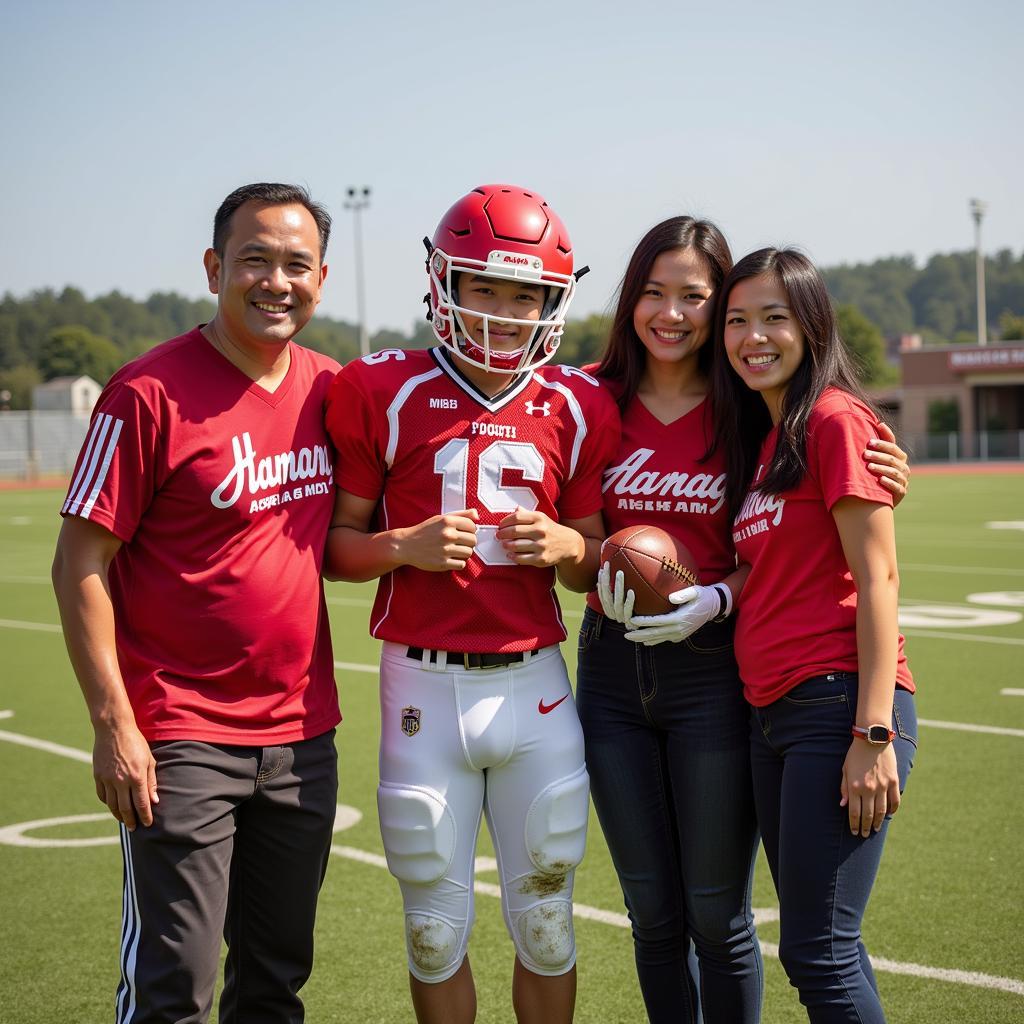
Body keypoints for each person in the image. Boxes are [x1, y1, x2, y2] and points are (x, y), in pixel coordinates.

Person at [575, 218, 910, 1023]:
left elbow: (852, 532)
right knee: (653, 915)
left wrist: (884, 470)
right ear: (628, 302)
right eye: (653, 292)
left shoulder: (757, 410)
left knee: (722, 915)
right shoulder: (587, 395)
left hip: (724, 670)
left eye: (696, 296)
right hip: (618, 666)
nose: (672, 313)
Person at [322, 183, 620, 1024]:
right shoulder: (381, 388)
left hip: (535, 683)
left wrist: (570, 548)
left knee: (548, 924)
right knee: (431, 927)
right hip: (422, 684)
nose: (502, 311)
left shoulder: (575, 401)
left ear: (552, 302)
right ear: (442, 285)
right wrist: (399, 547)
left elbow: (589, 567)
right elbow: (336, 549)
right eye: (483, 286)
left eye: (524, 293)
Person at [51, 182, 342, 1024]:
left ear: (322, 279)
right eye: (254, 260)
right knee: (175, 986)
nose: (275, 281)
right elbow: (80, 560)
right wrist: (115, 726)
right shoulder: (145, 394)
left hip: (301, 736)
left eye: (297, 264)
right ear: (215, 267)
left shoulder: (332, 391)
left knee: (275, 981)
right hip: (180, 736)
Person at [711, 247, 917, 1023]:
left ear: (812, 324)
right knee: (827, 942)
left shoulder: (832, 418)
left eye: (774, 317)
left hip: (838, 710)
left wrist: (873, 731)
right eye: (736, 321)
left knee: (817, 950)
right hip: (775, 714)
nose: (752, 336)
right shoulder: (768, 440)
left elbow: (879, 580)